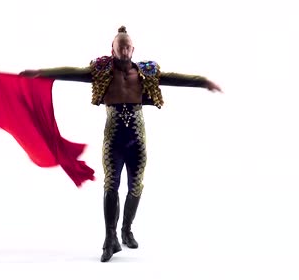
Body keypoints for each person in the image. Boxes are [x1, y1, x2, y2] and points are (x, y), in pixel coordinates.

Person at [20, 26, 222, 262]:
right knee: (110, 185)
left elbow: (173, 78)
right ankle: (109, 238)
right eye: (120, 46)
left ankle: (126, 230)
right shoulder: (101, 71)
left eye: (128, 46)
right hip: (113, 136)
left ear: (133, 49)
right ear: (113, 48)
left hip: (137, 137)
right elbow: (73, 73)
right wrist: (41, 73)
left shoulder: (146, 72)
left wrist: (202, 81)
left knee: (135, 185)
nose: (124, 50)